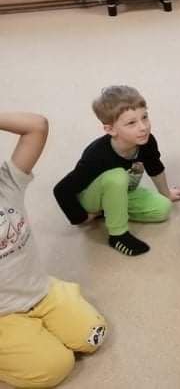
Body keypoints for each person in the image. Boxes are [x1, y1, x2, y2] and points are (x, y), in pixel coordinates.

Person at [0, 112, 107, 388]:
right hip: (4, 315)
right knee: (56, 367)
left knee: (93, 336)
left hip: (39, 290)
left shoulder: (6, 184)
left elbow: (36, 127)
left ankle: (53, 298)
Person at [54, 86, 180, 256]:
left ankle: (110, 209)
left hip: (123, 192)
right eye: (132, 123)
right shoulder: (96, 155)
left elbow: (155, 166)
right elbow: (62, 190)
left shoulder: (146, 141)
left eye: (144, 117)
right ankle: (118, 235)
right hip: (92, 199)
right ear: (111, 129)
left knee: (163, 208)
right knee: (118, 176)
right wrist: (81, 217)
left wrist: (166, 194)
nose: (143, 127)